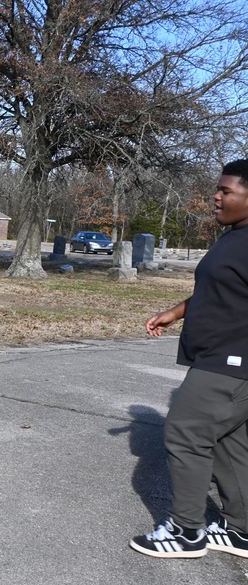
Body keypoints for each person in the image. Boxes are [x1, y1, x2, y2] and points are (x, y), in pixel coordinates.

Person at [130, 159, 248, 559]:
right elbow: (221, 291)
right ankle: (242, 531)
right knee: (230, 444)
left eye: (226, 191)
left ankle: (186, 531)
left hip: (230, 363)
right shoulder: (235, 237)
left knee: (186, 432)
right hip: (224, 360)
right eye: (217, 188)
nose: (216, 196)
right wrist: (176, 311)